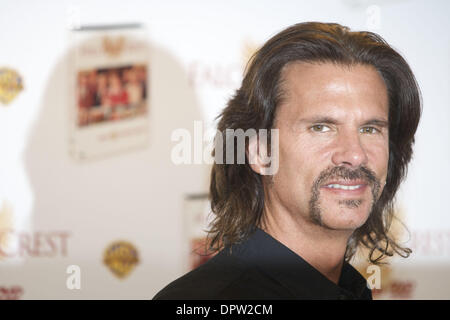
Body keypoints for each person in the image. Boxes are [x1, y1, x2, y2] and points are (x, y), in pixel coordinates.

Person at [153, 22, 421, 300]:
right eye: (321, 127)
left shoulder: (351, 289)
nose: (355, 154)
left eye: (370, 129)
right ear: (260, 152)